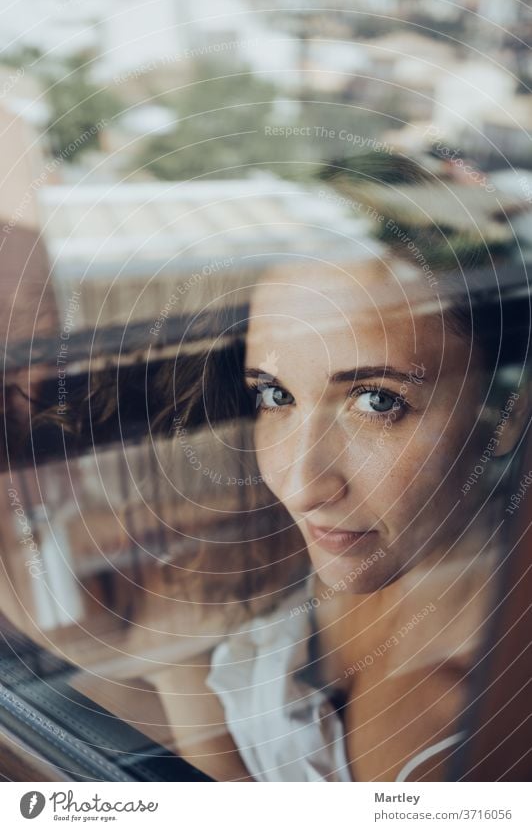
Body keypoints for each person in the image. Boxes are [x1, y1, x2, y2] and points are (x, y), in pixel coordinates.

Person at [156, 156, 532, 781]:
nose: (302, 485)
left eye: (377, 402)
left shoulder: (477, 736)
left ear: (505, 418)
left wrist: (183, 692)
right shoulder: (263, 569)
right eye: (274, 395)